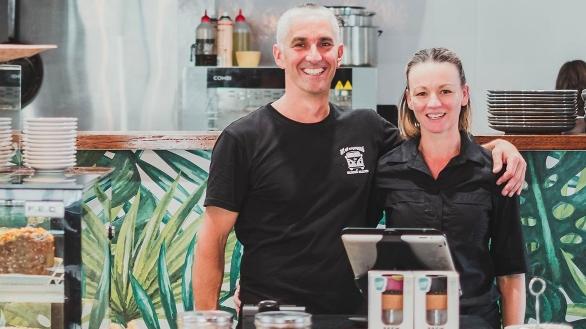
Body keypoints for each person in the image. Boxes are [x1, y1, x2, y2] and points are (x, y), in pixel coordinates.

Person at [193, 4, 526, 319]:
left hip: (352, 316)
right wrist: (207, 320)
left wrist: (497, 147)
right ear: (279, 55)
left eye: (325, 44)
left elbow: (435, 140)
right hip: (271, 316)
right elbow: (212, 239)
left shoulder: (367, 130)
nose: (314, 55)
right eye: (300, 44)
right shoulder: (242, 139)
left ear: (339, 54)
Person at [376, 48, 526, 328]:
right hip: (405, 321)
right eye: (421, 93)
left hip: (475, 321)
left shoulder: (494, 171)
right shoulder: (387, 168)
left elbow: (511, 270)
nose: (434, 103)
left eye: (445, 91)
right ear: (409, 100)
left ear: (464, 94)